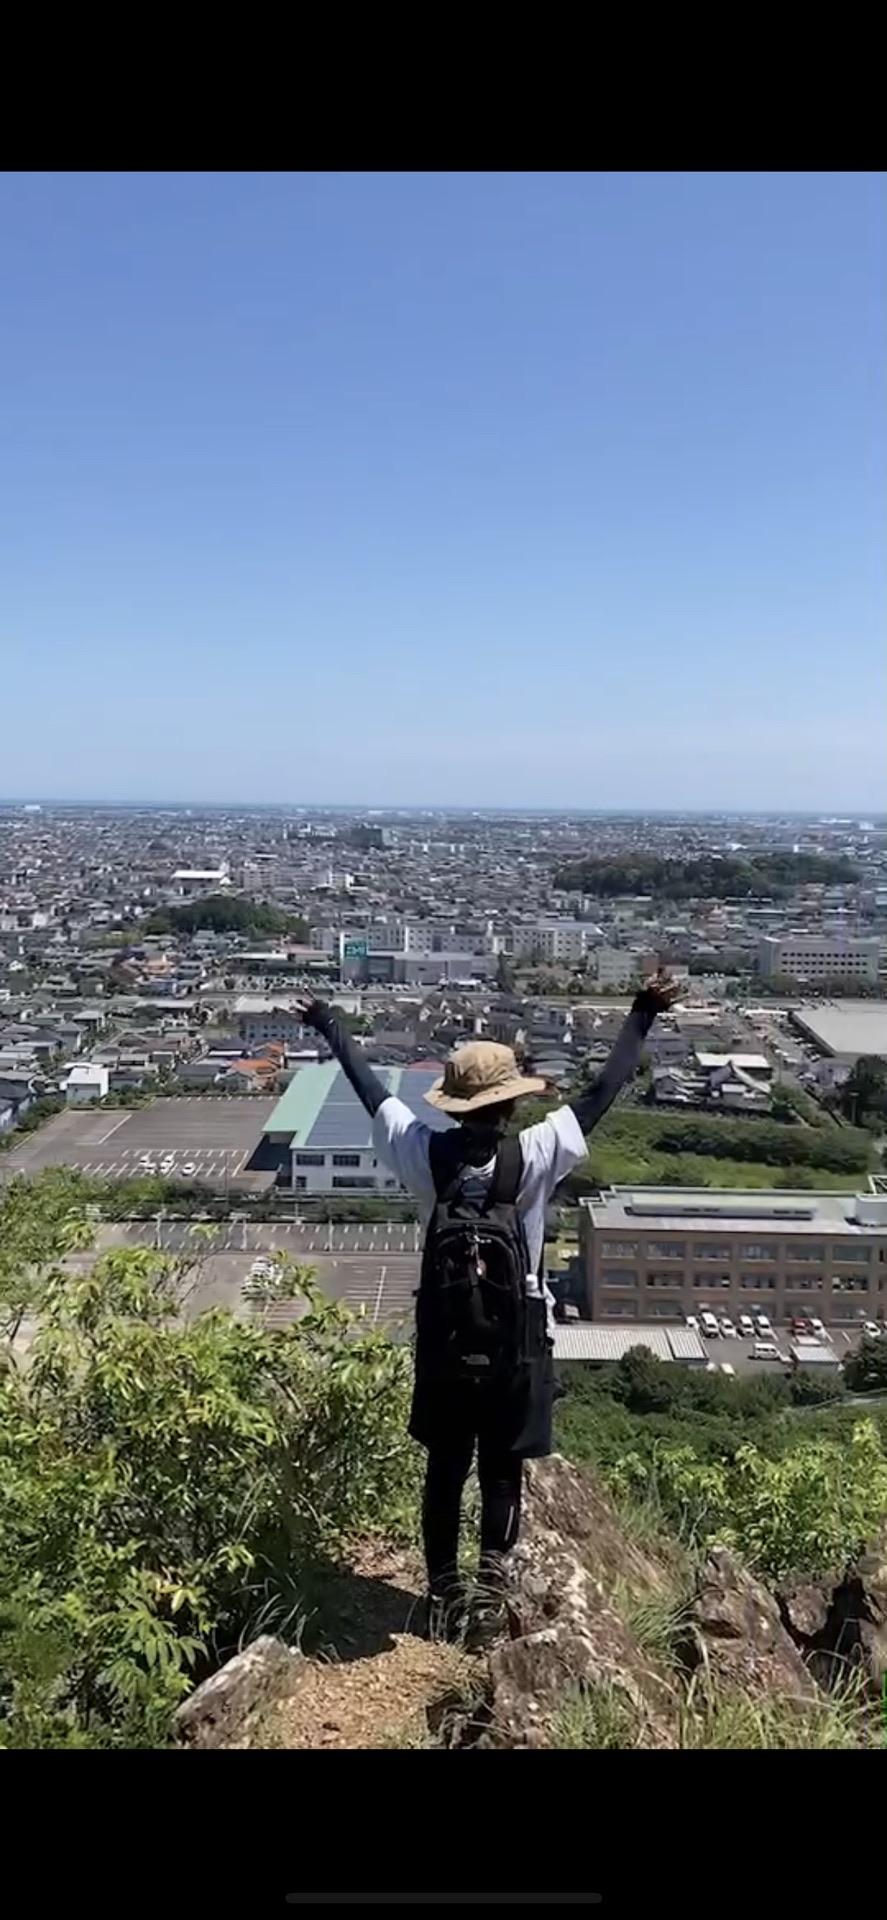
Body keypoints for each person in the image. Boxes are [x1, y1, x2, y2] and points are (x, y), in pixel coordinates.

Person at [297, 970, 680, 1645]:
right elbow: (600, 1093)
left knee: (445, 1468)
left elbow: (368, 1091)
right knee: (501, 1472)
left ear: (451, 1103)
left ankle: (442, 1597)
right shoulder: (535, 1152)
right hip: (517, 1339)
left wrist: (329, 1025)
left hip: (443, 1337)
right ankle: (487, 1600)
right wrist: (642, 1013)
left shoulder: (421, 1152)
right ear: (509, 1103)